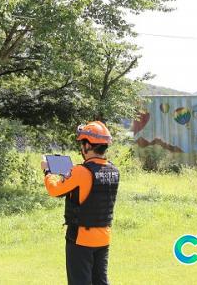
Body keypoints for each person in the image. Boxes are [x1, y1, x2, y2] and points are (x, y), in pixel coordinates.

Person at [41, 121, 120, 285]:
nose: (81, 148)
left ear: (88, 146)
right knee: (100, 282)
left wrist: (47, 171)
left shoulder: (80, 171)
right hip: (103, 238)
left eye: (82, 143)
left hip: (81, 239)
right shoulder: (114, 171)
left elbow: (55, 190)